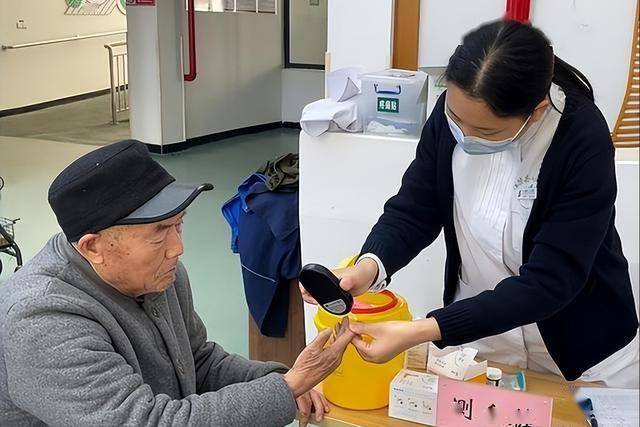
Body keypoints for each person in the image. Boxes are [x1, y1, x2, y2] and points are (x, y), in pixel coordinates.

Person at [301, 20, 639, 388]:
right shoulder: (455, 110)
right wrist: (369, 266)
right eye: (456, 119)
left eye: (486, 131)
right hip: (485, 337)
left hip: (580, 350)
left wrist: (423, 329)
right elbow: (415, 208)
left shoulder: (581, 138)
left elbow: (551, 281)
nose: (465, 135)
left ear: (537, 110)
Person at [0, 140, 353, 426]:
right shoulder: (42, 319)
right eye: (158, 233)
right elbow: (146, 422)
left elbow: (196, 362)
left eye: (178, 223)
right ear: (94, 247)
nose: (178, 248)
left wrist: (278, 379)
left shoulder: (157, 275)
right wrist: (286, 388)